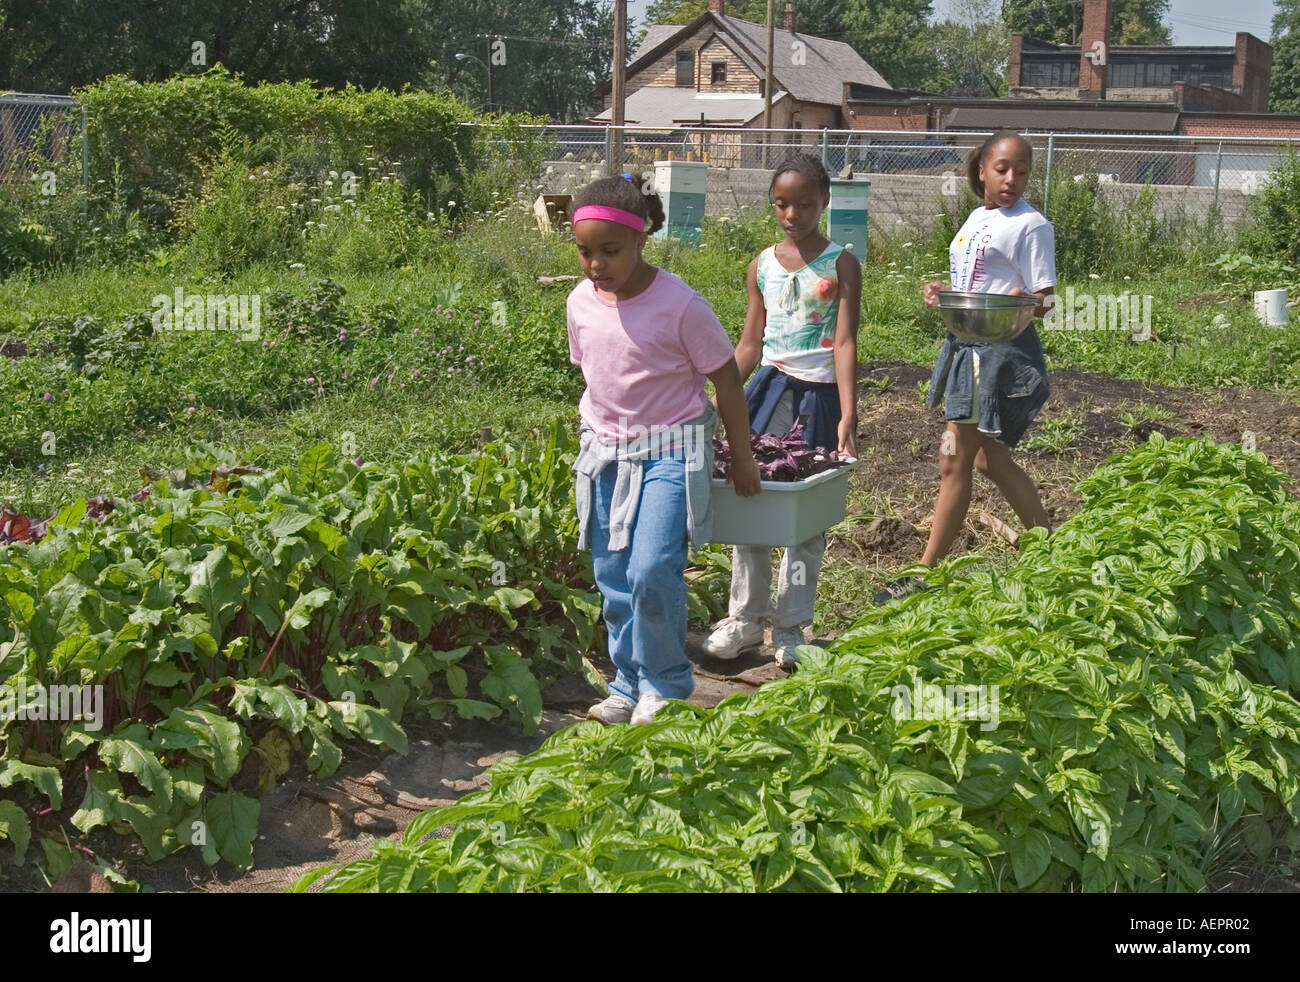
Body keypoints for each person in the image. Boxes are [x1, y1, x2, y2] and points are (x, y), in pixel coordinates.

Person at [567, 174, 761, 725]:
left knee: (653, 567)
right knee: (613, 573)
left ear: (641, 240)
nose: (596, 265)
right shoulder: (580, 302)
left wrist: (741, 458)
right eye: (585, 252)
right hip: (605, 450)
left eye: (610, 251)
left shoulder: (681, 306)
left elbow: (725, 381)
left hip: (673, 449)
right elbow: (595, 373)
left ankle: (665, 683)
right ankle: (627, 682)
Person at [877, 130, 1054, 604]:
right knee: (987, 459)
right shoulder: (977, 217)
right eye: (1002, 168)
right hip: (968, 343)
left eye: (1022, 170)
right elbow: (972, 280)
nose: (1012, 178)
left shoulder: (1032, 225)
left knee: (954, 458)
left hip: (1000, 352)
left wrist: (1024, 300)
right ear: (982, 170)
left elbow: (1047, 298)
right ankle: (1052, 549)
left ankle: (924, 571)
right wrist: (941, 289)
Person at [701, 152, 861, 668]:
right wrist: (715, 395)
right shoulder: (761, 265)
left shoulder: (841, 264)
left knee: (805, 518)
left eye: (805, 204)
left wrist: (848, 411)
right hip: (767, 391)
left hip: (819, 395)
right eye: (783, 204)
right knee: (751, 499)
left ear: (825, 202)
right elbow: (750, 344)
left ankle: (792, 628)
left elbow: (844, 341)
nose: (793, 215)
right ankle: (745, 621)